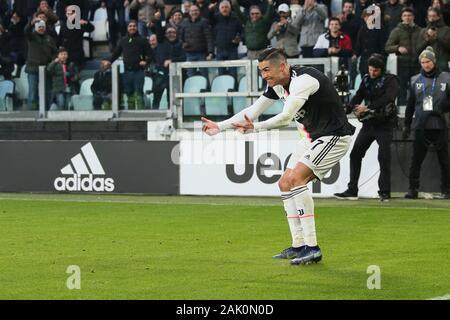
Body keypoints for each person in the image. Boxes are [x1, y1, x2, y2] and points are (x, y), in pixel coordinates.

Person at [201, 48, 355, 265]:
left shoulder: (304, 80)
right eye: (261, 71)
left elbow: (285, 117)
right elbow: (252, 111)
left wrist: (254, 128)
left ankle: (313, 248)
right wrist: (220, 126)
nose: (264, 75)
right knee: (284, 183)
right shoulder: (277, 85)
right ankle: (298, 244)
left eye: (267, 70)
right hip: (311, 138)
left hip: (334, 136)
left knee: (296, 179)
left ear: (282, 66)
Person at [334, 54, 400, 201]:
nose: (372, 73)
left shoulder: (391, 80)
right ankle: (352, 190)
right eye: (370, 70)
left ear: (381, 69)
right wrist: (348, 107)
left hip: (385, 124)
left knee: (383, 157)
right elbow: (359, 95)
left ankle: (384, 192)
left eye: (375, 70)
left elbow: (389, 98)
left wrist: (367, 107)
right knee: (355, 154)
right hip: (369, 123)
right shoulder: (366, 79)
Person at [402, 46, 450, 199]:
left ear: (434, 61)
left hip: (440, 125)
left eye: (428, 61)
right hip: (421, 126)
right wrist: (406, 125)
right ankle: (413, 189)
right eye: (422, 62)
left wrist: (446, 106)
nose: (425, 65)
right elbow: (410, 105)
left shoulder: (446, 78)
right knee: (416, 160)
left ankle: (447, 189)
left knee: (445, 160)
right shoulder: (415, 80)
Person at [104, 20, 153, 109]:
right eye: (130, 26)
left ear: (137, 27)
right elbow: (116, 53)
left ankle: (141, 115)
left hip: (139, 72)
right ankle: (130, 115)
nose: (132, 28)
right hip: (127, 72)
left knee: (138, 93)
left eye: (134, 26)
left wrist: (146, 61)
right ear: (127, 28)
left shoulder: (143, 40)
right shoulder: (123, 40)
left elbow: (150, 54)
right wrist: (109, 61)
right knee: (129, 93)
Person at [385, 7, 422, 106]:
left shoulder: (420, 31)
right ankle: (402, 112)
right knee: (402, 90)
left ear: (413, 17)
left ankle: (418, 110)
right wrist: (398, 48)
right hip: (402, 65)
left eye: (409, 15)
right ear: (401, 17)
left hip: (417, 65)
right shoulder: (397, 31)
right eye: (405, 15)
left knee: (418, 89)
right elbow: (387, 47)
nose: (407, 18)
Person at [148, 27, 185, 109]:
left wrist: (171, 60)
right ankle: (154, 115)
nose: (171, 34)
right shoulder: (161, 44)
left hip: (174, 74)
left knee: (172, 98)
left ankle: (173, 115)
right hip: (160, 74)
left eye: (173, 32)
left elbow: (183, 57)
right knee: (156, 97)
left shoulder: (180, 44)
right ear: (165, 34)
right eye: (169, 32)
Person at [24, 18, 57, 110]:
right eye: (39, 27)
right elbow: (26, 31)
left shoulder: (49, 39)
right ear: (36, 28)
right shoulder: (31, 36)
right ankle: (32, 112)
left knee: (47, 93)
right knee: (33, 93)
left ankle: (46, 112)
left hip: (46, 70)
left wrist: (53, 62)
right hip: (33, 69)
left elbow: (55, 52)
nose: (41, 28)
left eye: (43, 27)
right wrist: (31, 23)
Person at [416, 7, 450, 72]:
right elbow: (417, 50)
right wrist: (427, 40)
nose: (431, 18)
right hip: (427, 65)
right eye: (430, 16)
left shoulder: (447, 30)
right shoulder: (423, 31)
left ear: (439, 17)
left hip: (442, 64)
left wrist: (437, 38)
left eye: (434, 16)